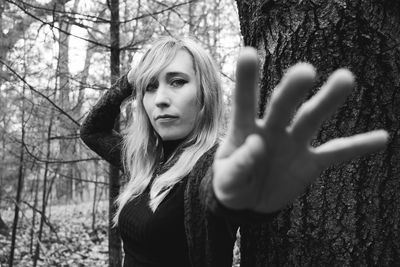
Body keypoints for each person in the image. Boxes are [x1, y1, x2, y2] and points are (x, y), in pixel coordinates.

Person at [80, 37, 388, 267]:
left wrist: (250, 193)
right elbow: (91, 131)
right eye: (150, 87)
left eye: (177, 82)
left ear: (204, 95)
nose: (160, 99)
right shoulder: (144, 162)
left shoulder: (210, 164)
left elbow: (224, 193)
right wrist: (129, 81)